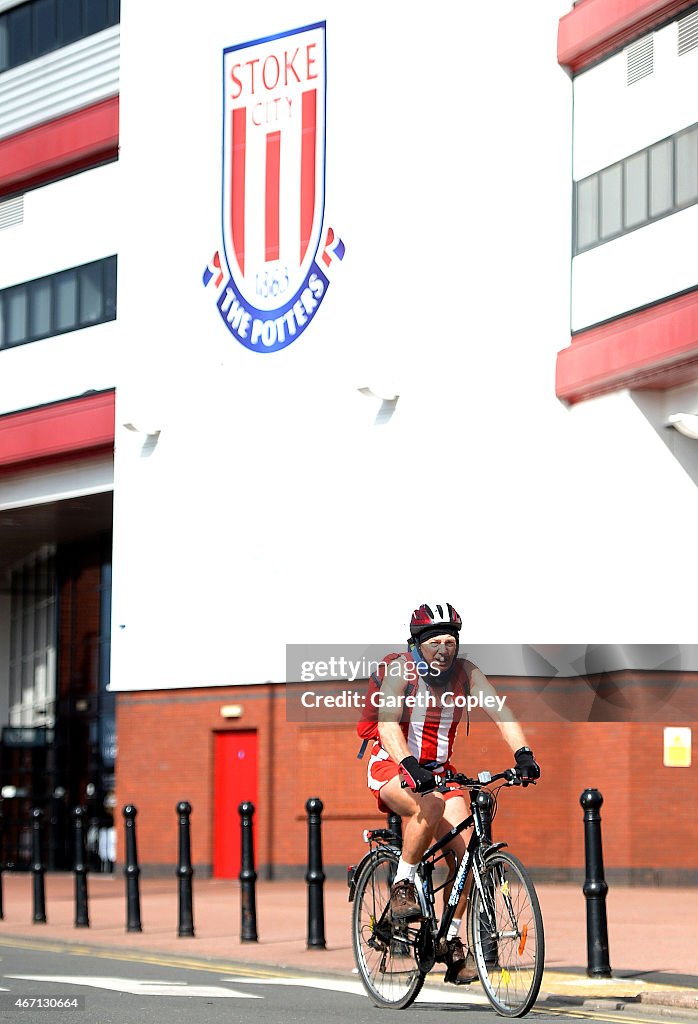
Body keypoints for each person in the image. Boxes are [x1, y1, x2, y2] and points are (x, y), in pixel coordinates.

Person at [359, 601, 540, 985]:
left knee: (470, 848)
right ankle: (402, 888)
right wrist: (410, 764)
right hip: (392, 766)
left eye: (450, 641)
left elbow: (500, 712)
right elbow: (387, 724)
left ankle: (452, 943)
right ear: (418, 644)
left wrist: (523, 754)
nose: (445, 648)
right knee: (431, 802)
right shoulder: (400, 670)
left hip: (439, 774)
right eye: (435, 641)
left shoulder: (465, 673)